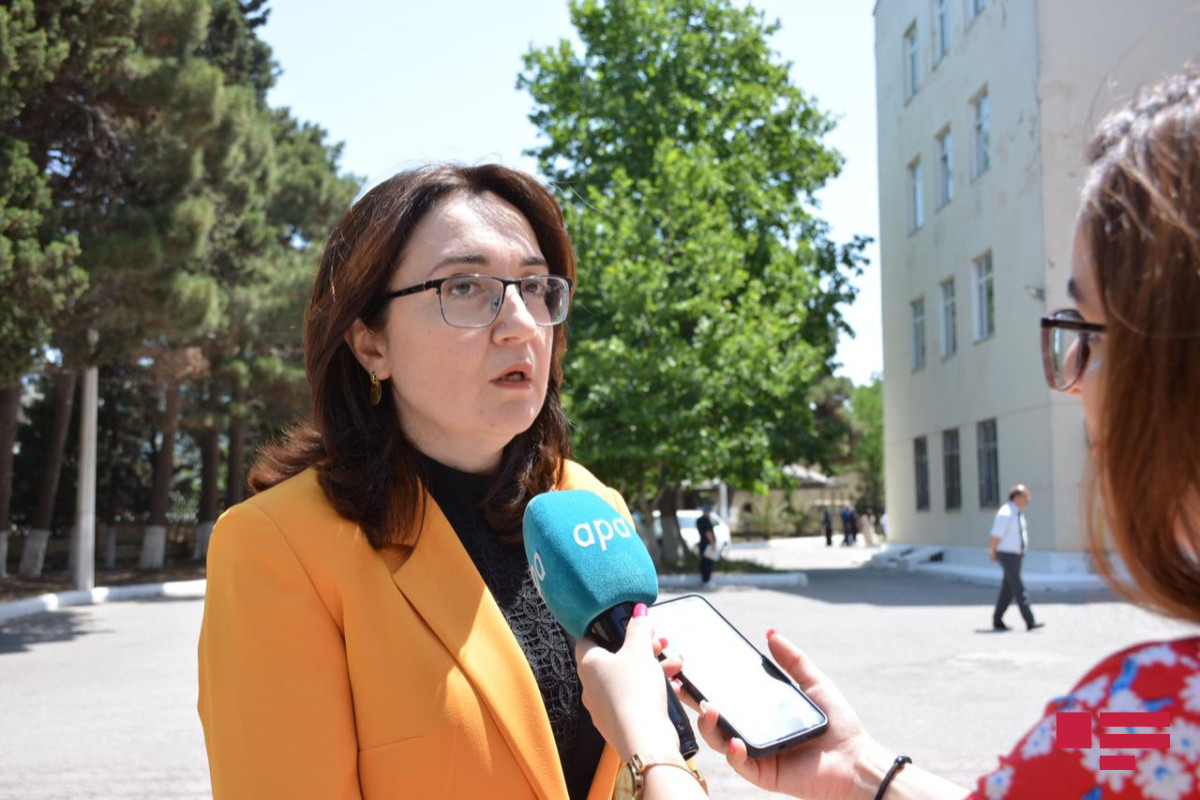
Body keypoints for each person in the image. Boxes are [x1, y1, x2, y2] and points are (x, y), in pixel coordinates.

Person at [573, 69, 1200, 800]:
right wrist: (860, 767)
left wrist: (648, 745)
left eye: (1087, 331)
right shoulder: (1156, 725)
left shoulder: (1150, 708)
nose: (1071, 375)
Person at [197, 164, 632, 799]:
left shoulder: (591, 505)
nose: (521, 323)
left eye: (536, 286)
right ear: (370, 343)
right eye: (466, 287)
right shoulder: (277, 547)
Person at [988, 485, 1042, 631]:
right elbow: (996, 535)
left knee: (1008, 588)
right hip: (1007, 555)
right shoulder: (1006, 513)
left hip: (1015, 555)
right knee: (1018, 586)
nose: (1028, 499)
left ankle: (997, 619)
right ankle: (1030, 621)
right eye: (1025, 496)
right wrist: (992, 551)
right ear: (1016, 497)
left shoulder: (1017, 513)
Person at [697, 505, 718, 585]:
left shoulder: (699, 520)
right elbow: (708, 532)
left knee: (704, 562)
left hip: (702, 543)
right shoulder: (705, 520)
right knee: (707, 562)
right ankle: (706, 580)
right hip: (707, 544)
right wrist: (712, 543)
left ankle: (704, 580)